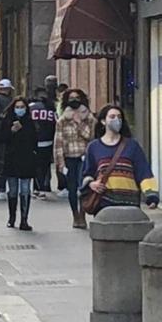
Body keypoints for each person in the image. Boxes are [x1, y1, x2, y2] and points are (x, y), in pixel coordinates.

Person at [81, 105, 159, 213]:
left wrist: (151, 196)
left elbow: (144, 172)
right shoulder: (93, 147)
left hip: (130, 204)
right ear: (103, 121)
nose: (116, 120)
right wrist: (91, 184)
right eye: (112, 117)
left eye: (119, 117)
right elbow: (86, 173)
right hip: (104, 204)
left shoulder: (132, 146)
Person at [54, 89, 97, 229]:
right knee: (72, 188)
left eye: (77, 97)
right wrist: (60, 162)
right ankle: (75, 215)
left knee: (83, 186)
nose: (74, 100)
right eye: (71, 98)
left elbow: (91, 137)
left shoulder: (89, 117)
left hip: (84, 156)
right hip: (69, 157)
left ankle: (83, 214)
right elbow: (58, 141)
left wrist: (79, 124)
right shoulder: (62, 120)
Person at [1, 97, 39, 230]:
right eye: (17, 107)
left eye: (22, 107)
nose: (20, 109)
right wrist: (12, 131)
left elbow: (34, 139)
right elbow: (3, 138)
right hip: (11, 159)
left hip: (27, 159)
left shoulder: (29, 122)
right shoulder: (7, 121)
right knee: (12, 190)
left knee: (25, 190)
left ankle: (24, 219)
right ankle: (12, 218)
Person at [30, 87, 58, 197]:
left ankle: (36, 188)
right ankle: (43, 187)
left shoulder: (30, 108)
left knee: (34, 166)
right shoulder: (51, 109)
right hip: (48, 142)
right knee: (44, 166)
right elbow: (56, 124)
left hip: (33, 142)